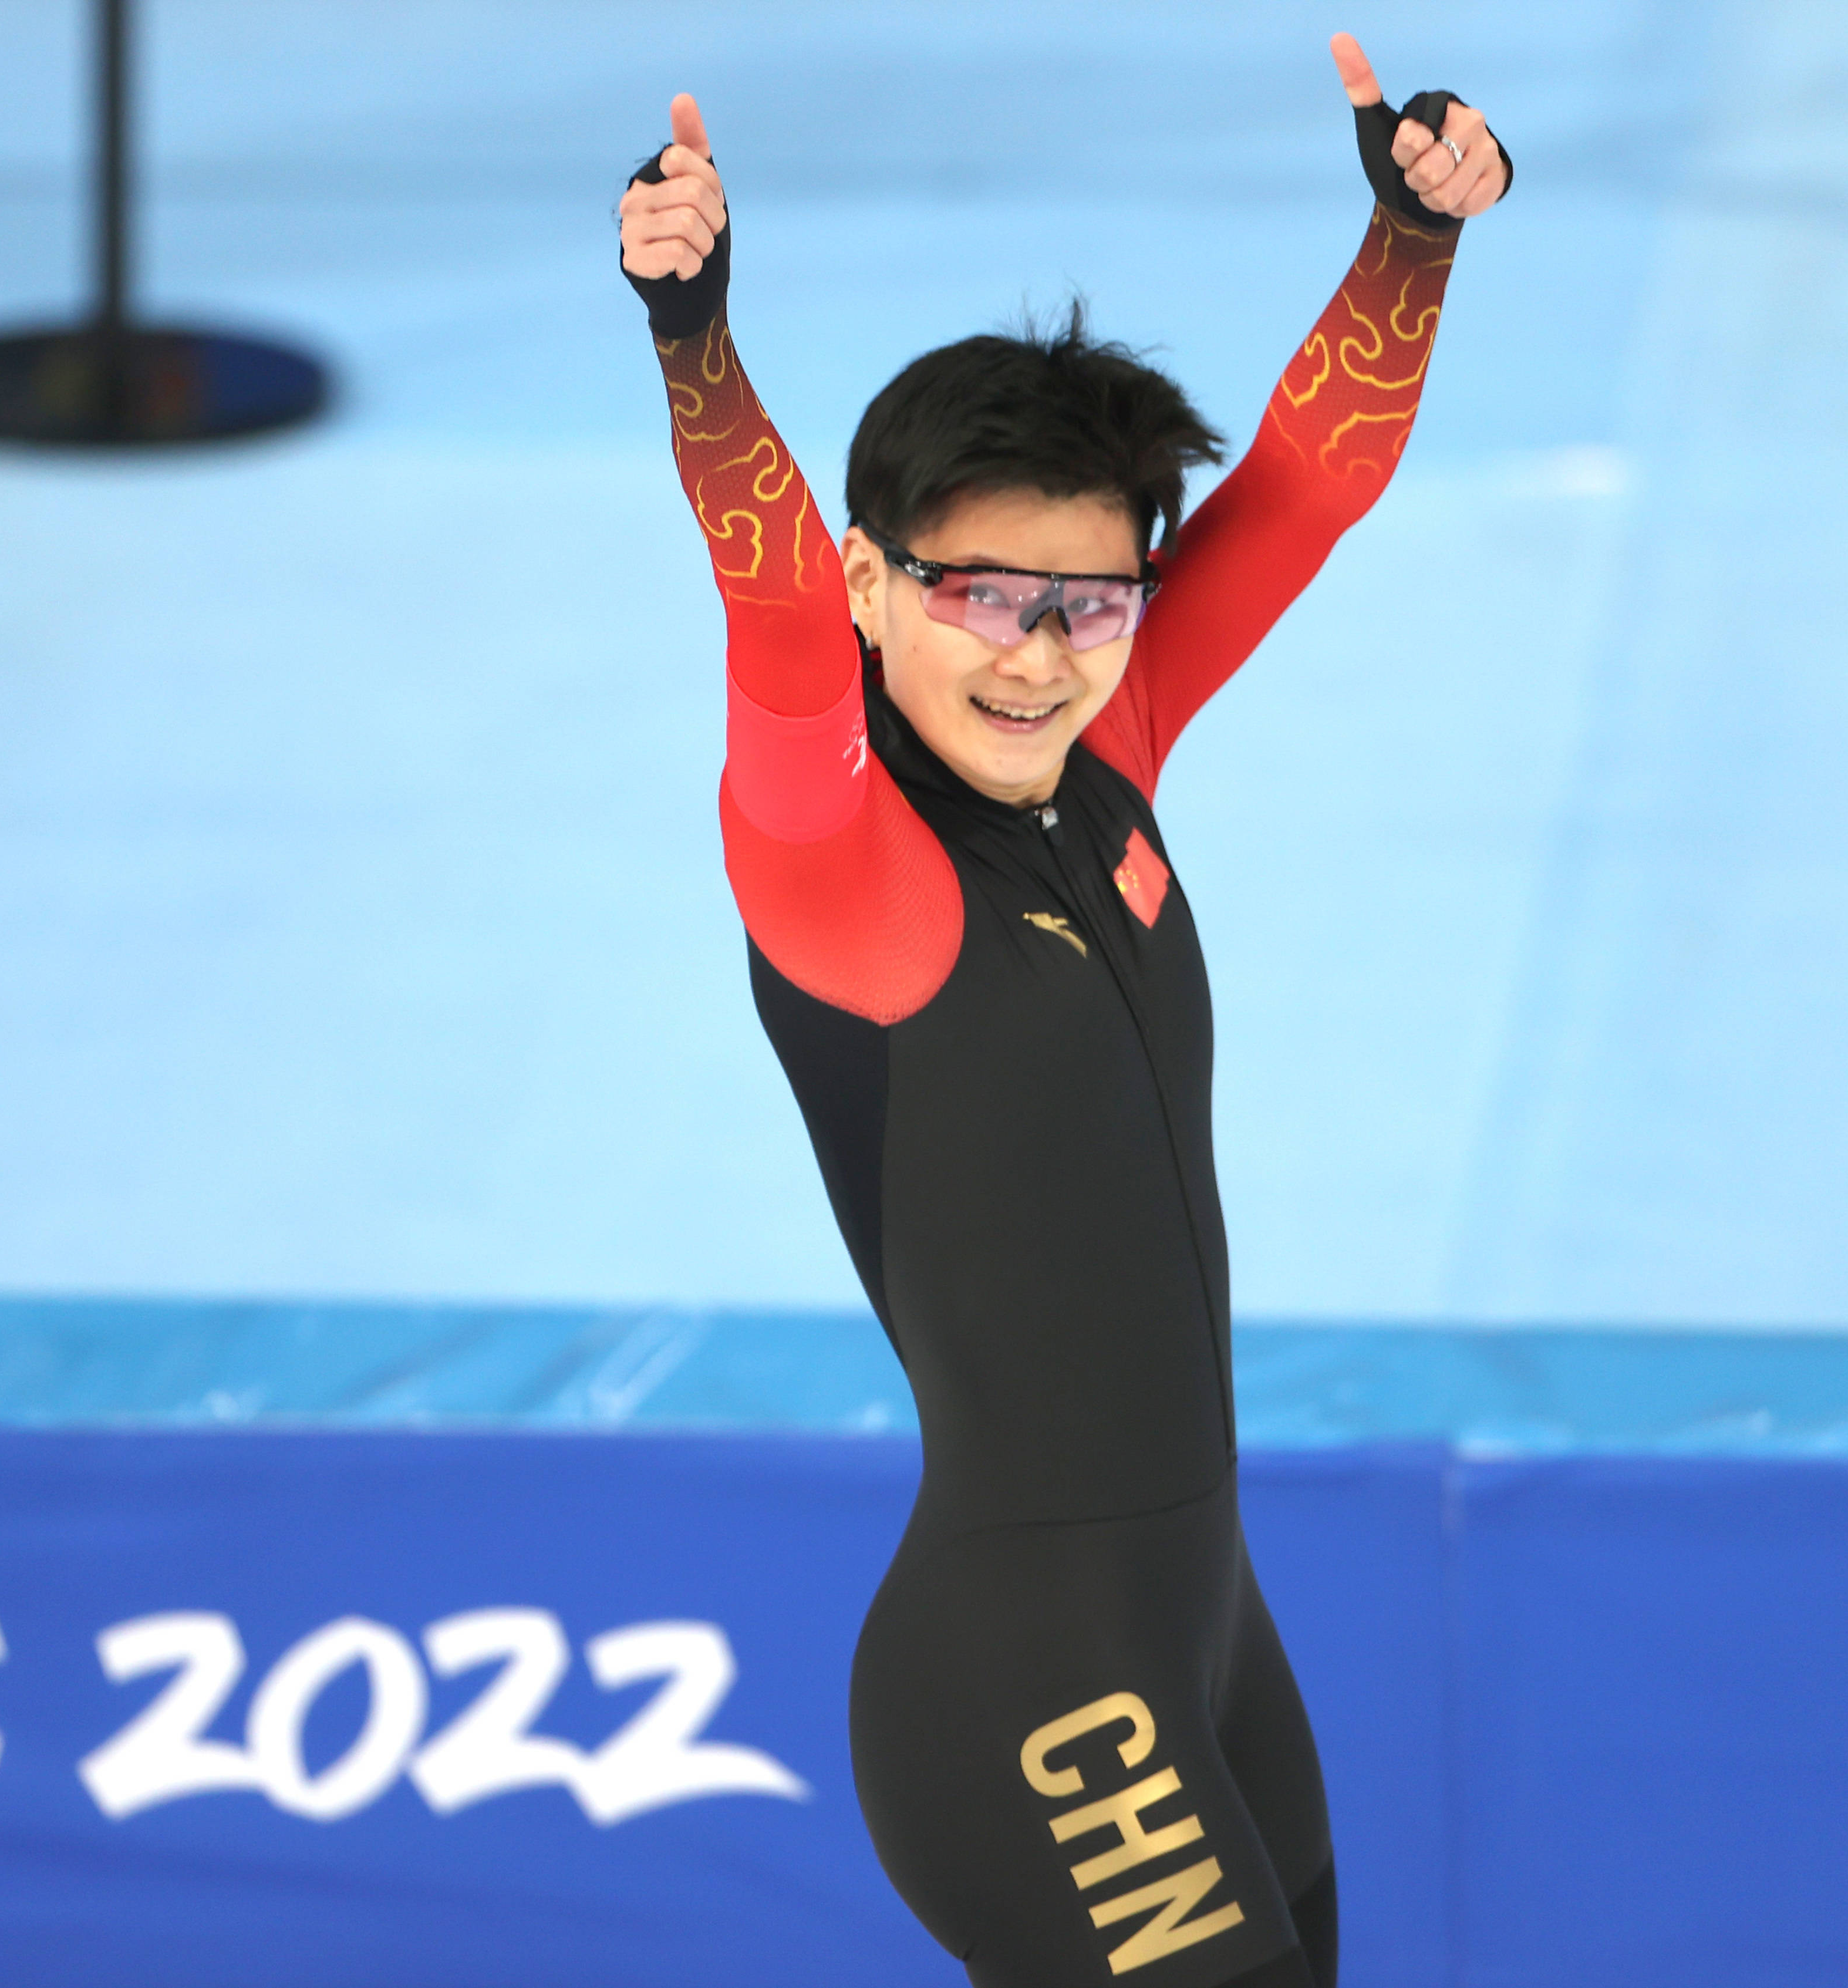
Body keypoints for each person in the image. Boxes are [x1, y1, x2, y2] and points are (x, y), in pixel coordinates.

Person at [616, 33, 1508, 1988]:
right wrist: (693, 332)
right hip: (1029, 1684)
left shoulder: (1110, 761)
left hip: (1202, 1624)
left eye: (1091, 604)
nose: (1040, 659)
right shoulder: (842, 868)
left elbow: (1296, 491)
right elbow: (762, 616)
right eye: (980, 596)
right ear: (873, 584)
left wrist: (1411, 241)